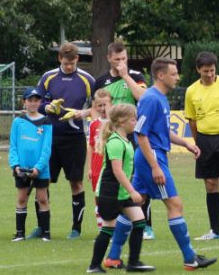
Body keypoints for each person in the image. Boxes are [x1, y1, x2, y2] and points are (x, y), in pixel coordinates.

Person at [132, 57, 216, 270]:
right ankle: (190, 258)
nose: (178, 77)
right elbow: (141, 134)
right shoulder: (151, 98)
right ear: (161, 75)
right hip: (152, 156)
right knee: (175, 205)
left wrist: (186, 143)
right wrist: (155, 167)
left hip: (153, 154)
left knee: (135, 203)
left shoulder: (161, 98)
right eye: (174, 73)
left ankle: (113, 256)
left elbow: (161, 132)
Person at [35, 42, 95, 239]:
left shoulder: (87, 79)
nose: (69, 66)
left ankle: (76, 228)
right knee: (42, 181)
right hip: (49, 137)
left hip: (75, 138)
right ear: (59, 59)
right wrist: (47, 107)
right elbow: (36, 102)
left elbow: (99, 106)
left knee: (76, 182)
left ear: (77, 59)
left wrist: (82, 113)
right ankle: (42, 227)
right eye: (65, 63)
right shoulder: (48, 77)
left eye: (72, 62)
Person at [87, 104, 155, 273]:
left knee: (140, 222)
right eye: (133, 119)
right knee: (108, 229)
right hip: (110, 193)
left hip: (122, 193)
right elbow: (117, 171)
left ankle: (133, 263)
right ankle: (94, 266)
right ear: (122, 121)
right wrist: (133, 190)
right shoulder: (115, 142)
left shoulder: (126, 140)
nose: (136, 122)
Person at [184, 51, 219, 241]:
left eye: (212, 70)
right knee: (210, 184)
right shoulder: (191, 91)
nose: (209, 74)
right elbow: (191, 120)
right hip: (204, 141)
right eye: (206, 71)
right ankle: (214, 231)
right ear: (198, 70)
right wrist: (197, 143)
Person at [9, 88, 52, 241]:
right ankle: (20, 233)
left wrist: (38, 167)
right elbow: (13, 146)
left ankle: (46, 232)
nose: (33, 103)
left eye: (36, 100)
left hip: (40, 169)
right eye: (30, 100)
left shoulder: (46, 122)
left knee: (42, 198)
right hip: (22, 167)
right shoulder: (18, 122)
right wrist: (15, 165)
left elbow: (46, 148)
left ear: (40, 102)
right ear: (24, 102)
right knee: (21, 198)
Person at [88, 89, 112, 230]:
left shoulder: (116, 123)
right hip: (97, 167)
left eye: (106, 105)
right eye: (100, 105)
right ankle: (101, 229)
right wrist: (90, 168)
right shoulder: (93, 125)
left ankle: (113, 227)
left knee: (112, 197)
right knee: (98, 197)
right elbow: (91, 146)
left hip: (111, 165)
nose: (103, 109)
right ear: (95, 106)